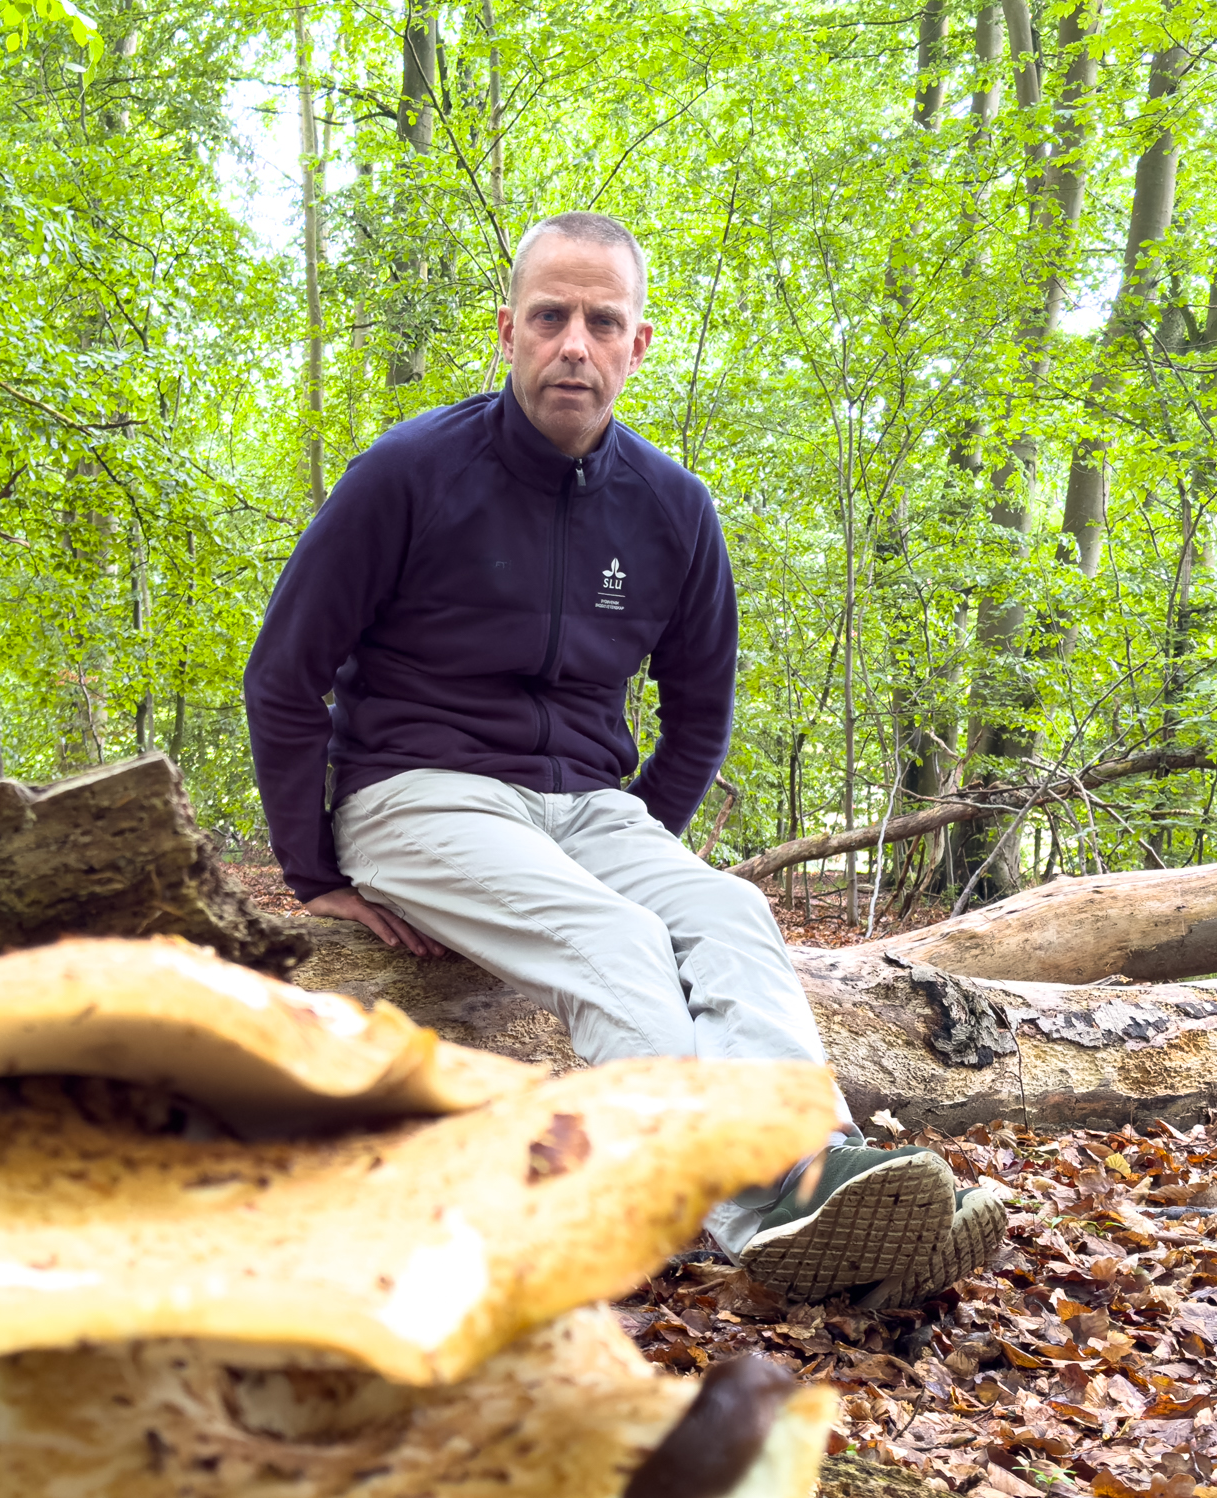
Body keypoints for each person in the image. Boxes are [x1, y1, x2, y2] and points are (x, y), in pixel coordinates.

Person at [243, 210, 1003, 1306]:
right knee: (617, 939)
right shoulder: (407, 473)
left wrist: (637, 835)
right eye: (550, 316)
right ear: (507, 330)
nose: (574, 344)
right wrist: (314, 872)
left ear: (638, 345)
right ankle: (742, 1208)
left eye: (603, 321)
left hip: (589, 806)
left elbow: (699, 714)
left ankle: (813, 1167)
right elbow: (284, 674)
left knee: (731, 914)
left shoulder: (672, 510)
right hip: (419, 791)